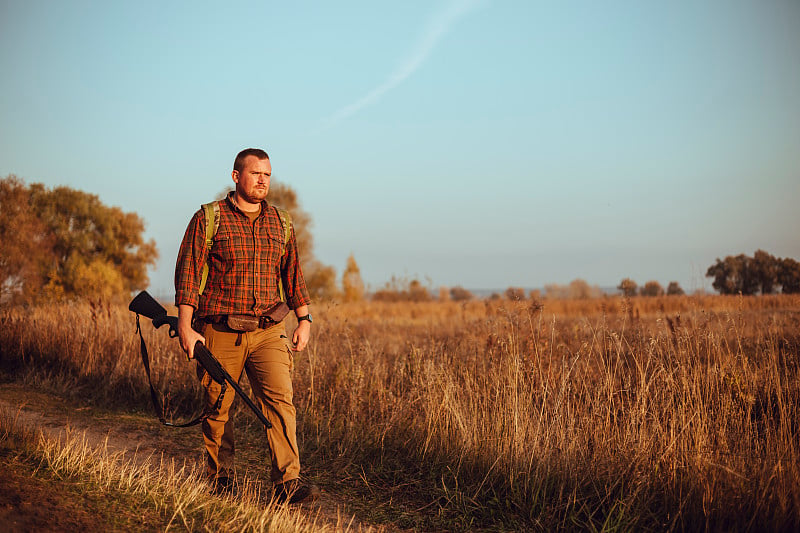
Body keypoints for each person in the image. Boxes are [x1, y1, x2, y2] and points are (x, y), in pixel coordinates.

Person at [174, 148, 318, 504]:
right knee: (217, 405)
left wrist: (304, 319)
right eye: (255, 174)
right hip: (219, 329)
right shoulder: (209, 219)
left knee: (280, 401)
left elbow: (293, 275)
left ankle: (288, 482)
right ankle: (220, 478)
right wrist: (185, 325)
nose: (262, 181)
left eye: (267, 175)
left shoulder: (281, 222)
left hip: (268, 330)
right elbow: (189, 274)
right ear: (236, 176)